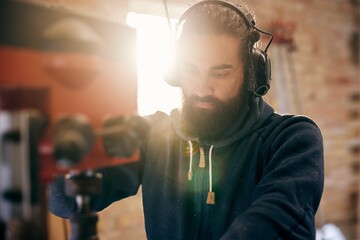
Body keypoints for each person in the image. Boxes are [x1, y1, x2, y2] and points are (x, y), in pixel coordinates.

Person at [49, 0, 324, 239]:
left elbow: (278, 220)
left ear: (252, 74)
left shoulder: (292, 138)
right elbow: (65, 202)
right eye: (191, 69)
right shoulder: (152, 135)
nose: (202, 89)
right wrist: (68, 154)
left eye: (220, 73)